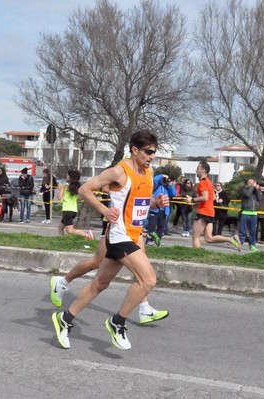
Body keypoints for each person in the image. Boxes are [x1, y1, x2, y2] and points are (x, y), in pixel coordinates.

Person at [51, 129, 169, 350]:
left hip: (134, 234)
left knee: (100, 284)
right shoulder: (118, 172)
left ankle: (64, 319)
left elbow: (141, 203)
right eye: (148, 152)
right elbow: (86, 189)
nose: (152, 156)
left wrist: (156, 203)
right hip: (119, 236)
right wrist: (103, 210)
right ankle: (118, 322)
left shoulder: (148, 171)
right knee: (149, 280)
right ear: (135, 150)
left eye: (154, 152)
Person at [50, 234, 168, 324]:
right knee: (97, 262)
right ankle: (62, 281)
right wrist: (105, 211)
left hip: (133, 227)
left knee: (141, 266)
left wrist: (155, 204)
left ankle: (144, 308)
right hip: (115, 227)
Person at [186, 161, 242, 251]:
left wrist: (192, 200)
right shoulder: (209, 182)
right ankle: (231, 239)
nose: (196, 170)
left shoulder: (203, 182)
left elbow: (205, 197)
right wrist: (198, 204)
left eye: (198, 168)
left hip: (203, 213)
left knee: (195, 237)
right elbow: (211, 198)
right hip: (210, 212)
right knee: (209, 238)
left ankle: (197, 256)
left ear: (203, 170)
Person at [57, 169, 94, 240]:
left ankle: (87, 235)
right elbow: (83, 197)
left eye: (67, 175)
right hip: (73, 210)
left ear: (70, 177)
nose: (66, 176)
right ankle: (61, 240)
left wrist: (61, 190)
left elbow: (59, 198)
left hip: (67, 210)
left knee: (70, 231)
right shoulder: (77, 187)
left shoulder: (65, 187)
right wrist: (76, 200)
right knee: (60, 227)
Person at [145, 174, 175, 246]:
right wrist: (162, 175)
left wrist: (170, 184)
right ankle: (149, 240)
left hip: (164, 210)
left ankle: (158, 241)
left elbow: (174, 193)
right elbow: (155, 179)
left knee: (161, 227)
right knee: (152, 226)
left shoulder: (167, 188)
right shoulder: (156, 185)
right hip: (155, 210)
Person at [239, 178, 261, 251]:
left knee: (253, 231)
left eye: (253, 183)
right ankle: (240, 244)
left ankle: (252, 245)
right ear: (247, 184)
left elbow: (259, 198)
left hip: (254, 213)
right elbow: (247, 194)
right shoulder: (244, 190)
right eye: (250, 183)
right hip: (245, 212)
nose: (252, 184)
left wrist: (257, 189)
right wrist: (252, 187)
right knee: (242, 230)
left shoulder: (255, 191)